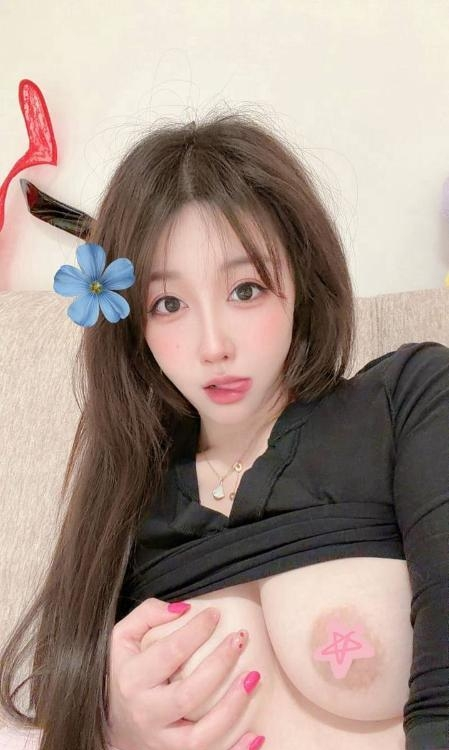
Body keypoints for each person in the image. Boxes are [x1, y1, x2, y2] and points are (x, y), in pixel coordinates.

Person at [0, 110, 448, 750]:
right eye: (169, 304)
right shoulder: (126, 498)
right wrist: (117, 726)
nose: (213, 346)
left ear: (301, 279)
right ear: (133, 324)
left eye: (245, 289)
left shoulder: (407, 401)